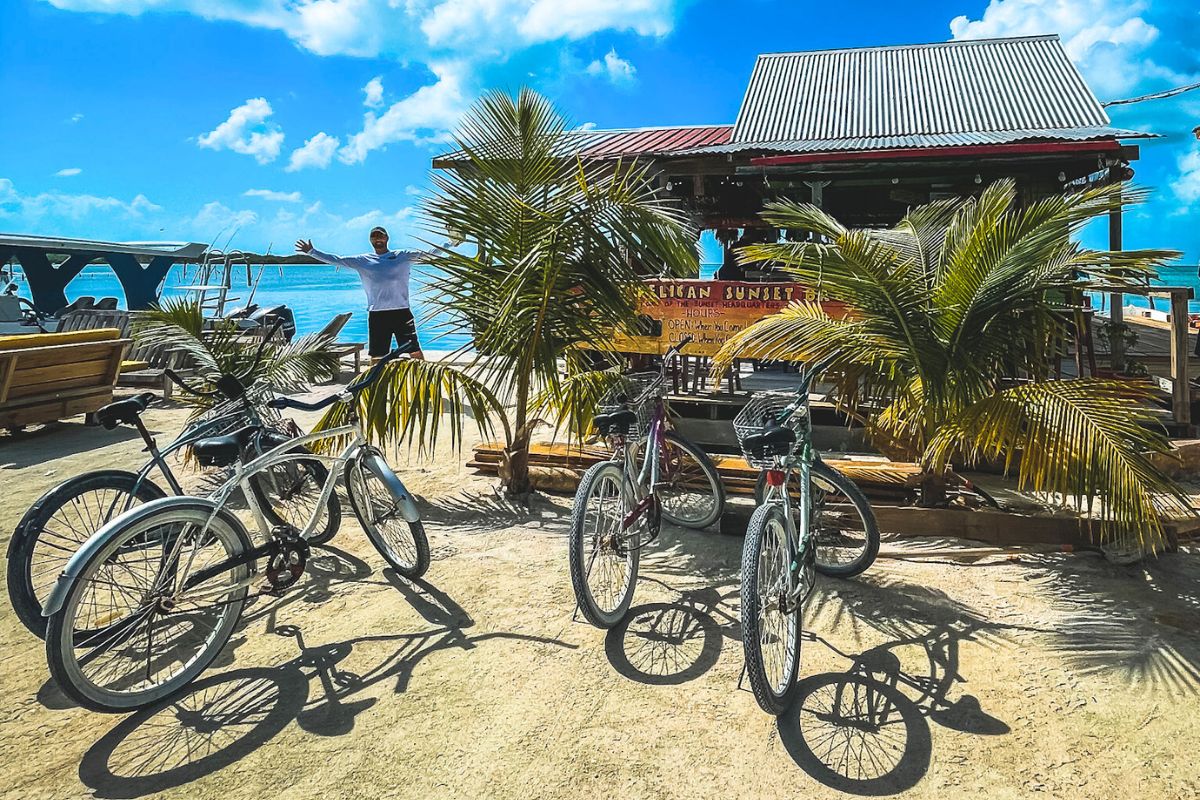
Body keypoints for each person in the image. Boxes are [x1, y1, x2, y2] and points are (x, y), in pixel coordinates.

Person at [295, 227, 424, 360]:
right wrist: (312, 252)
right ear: (370, 240)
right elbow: (337, 260)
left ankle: (423, 380)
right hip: (378, 314)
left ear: (387, 238)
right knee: (377, 355)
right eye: (374, 236)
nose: (377, 238)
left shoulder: (402, 255)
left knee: (413, 350)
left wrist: (447, 243)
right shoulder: (363, 260)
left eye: (380, 235)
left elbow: (430, 254)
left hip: (401, 312)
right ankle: (376, 381)